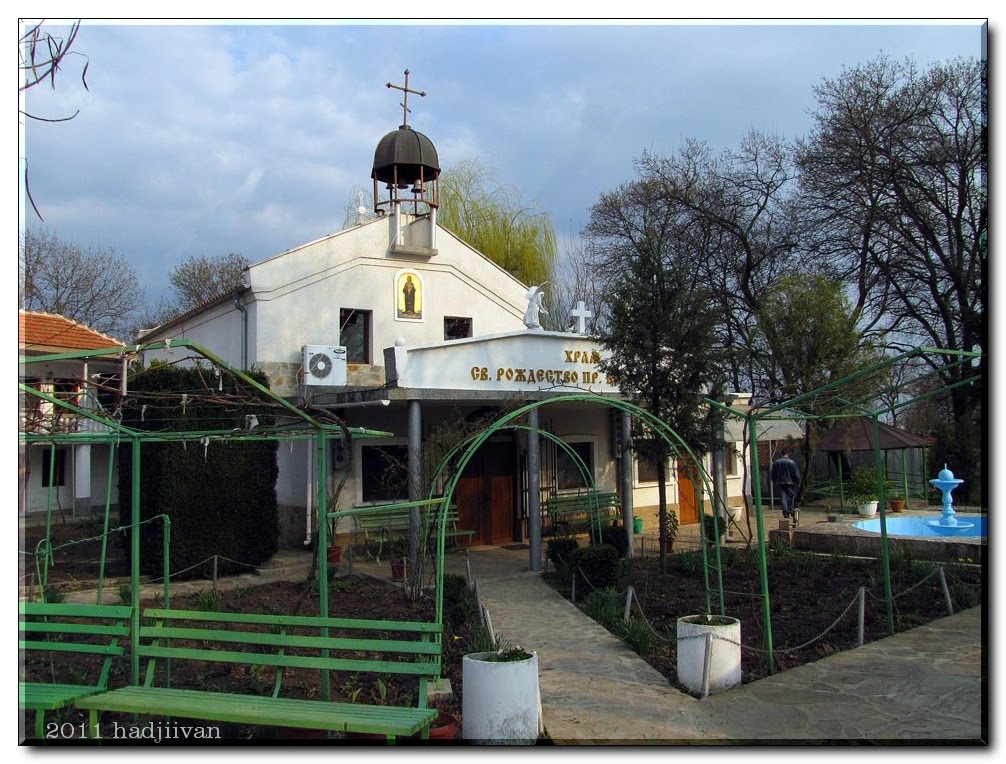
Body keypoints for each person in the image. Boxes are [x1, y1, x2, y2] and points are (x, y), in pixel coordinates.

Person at [770, 447, 801, 524]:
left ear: (782, 453)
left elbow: (772, 473)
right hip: (790, 482)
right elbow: (795, 473)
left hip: (780, 482)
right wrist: (798, 480)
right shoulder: (791, 462)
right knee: (792, 496)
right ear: (788, 453)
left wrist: (774, 480)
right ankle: (791, 509)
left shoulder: (776, 462)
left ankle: (785, 512)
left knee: (783, 498)